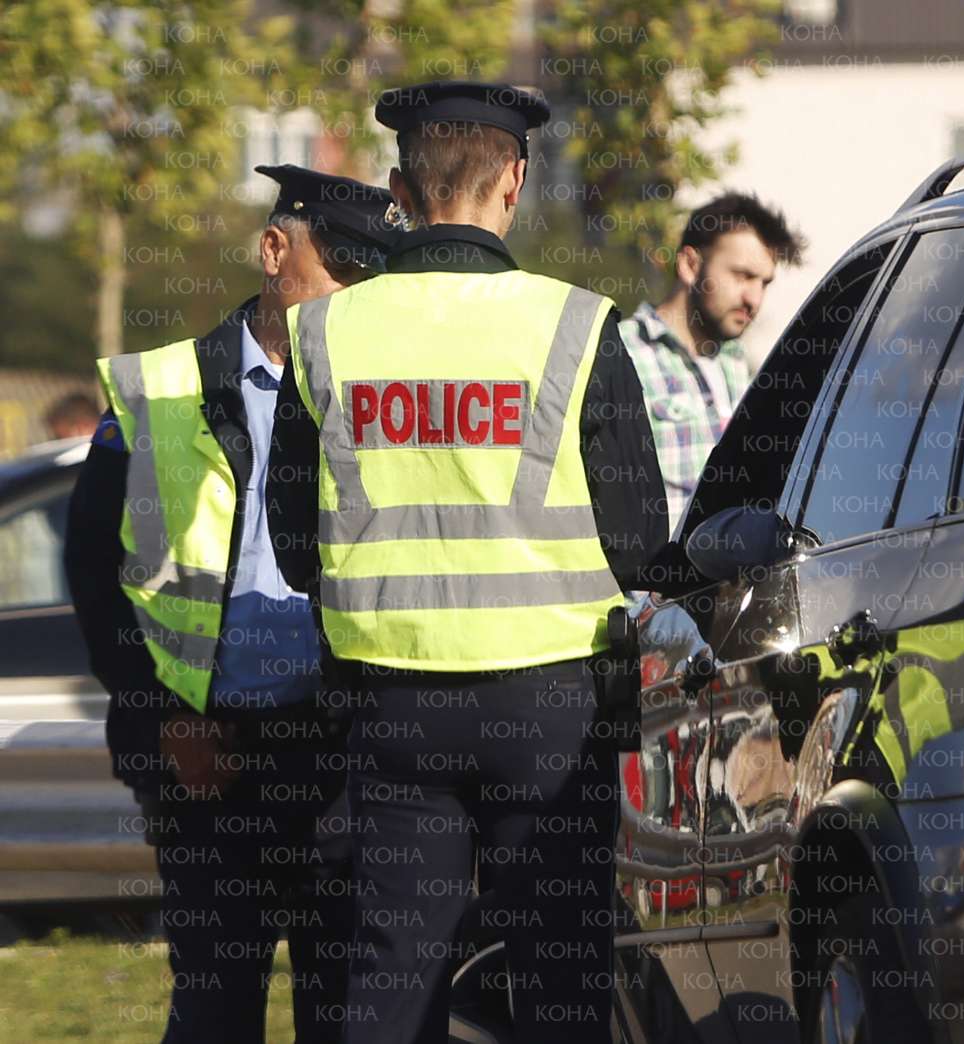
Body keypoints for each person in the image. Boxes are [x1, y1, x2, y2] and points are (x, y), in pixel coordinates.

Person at [266, 80, 667, 1044]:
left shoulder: (322, 333)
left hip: (391, 706)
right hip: (551, 715)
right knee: (560, 973)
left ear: (400, 188)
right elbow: (641, 540)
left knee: (393, 976)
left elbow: (290, 545)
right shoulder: (575, 326)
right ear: (515, 183)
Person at [63, 165, 400, 1043]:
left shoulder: (375, 404)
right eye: (345, 274)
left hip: (336, 754)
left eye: (372, 281)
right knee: (214, 1008)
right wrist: (165, 715)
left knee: (342, 1012)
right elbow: (97, 578)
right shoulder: (157, 389)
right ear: (274, 251)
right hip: (204, 757)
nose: (355, 300)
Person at [621, 192, 805, 534]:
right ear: (690, 265)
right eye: (742, 276)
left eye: (764, 283)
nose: (754, 298)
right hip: (650, 584)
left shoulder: (739, 366)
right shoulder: (622, 353)